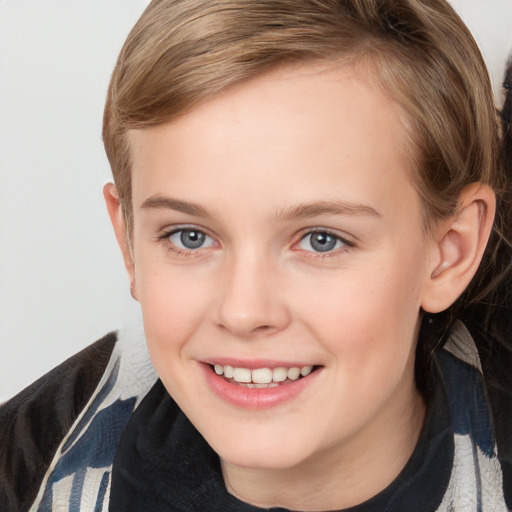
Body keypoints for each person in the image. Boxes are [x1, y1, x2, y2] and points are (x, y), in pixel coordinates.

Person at [1, 0, 511, 510]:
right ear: (129, 241)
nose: (244, 312)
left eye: (321, 240)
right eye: (190, 236)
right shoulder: (30, 472)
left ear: (449, 252)